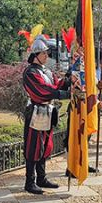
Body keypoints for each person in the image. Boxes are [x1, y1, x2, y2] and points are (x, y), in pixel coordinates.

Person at [22, 36, 72, 194]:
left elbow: (55, 85)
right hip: (36, 111)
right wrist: (63, 94)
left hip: (47, 111)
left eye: (46, 53)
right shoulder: (30, 73)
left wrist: (69, 79)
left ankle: (41, 178)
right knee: (33, 147)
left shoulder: (47, 71)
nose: (46, 56)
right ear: (36, 54)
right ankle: (29, 182)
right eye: (44, 53)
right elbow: (42, 91)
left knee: (45, 146)